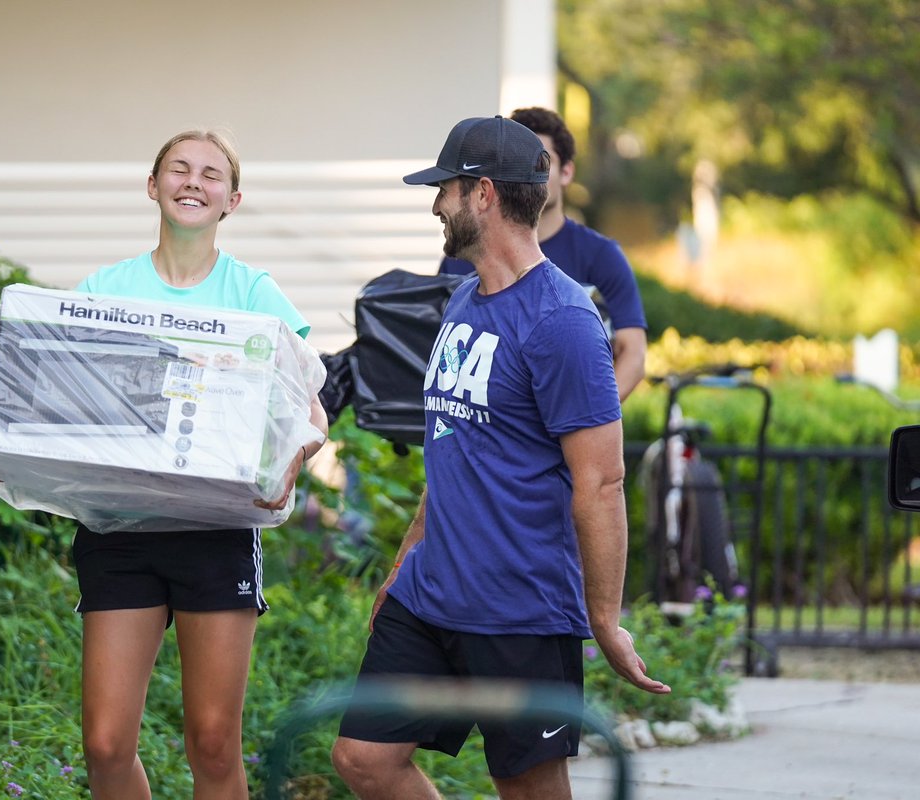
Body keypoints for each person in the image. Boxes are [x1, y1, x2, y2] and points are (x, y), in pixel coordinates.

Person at [330, 116, 670, 800]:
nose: (435, 205)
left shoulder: (564, 321)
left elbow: (600, 481)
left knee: (528, 788)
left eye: (445, 190)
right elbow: (450, 447)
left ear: (482, 195)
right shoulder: (462, 299)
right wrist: (402, 566)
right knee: (364, 759)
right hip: (431, 594)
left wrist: (602, 618)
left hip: (521, 608)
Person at [72, 129, 328, 800]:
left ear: (231, 200)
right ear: (152, 186)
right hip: (120, 531)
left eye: (211, 175)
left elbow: (311, 413)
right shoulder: (105, 288)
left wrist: (292, 458)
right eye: (178, 170)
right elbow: (70, 395)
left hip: (217, 531)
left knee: (213, 744)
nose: (194, 182)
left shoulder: (254, 294)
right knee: (103, 744)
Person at [439, 106, 648, 402]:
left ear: (566, 172)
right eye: (516, 162)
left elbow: (634, 355)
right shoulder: (463, 254)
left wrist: (583, 418)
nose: (527, 171)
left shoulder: (600, 256)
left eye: (539, 161)